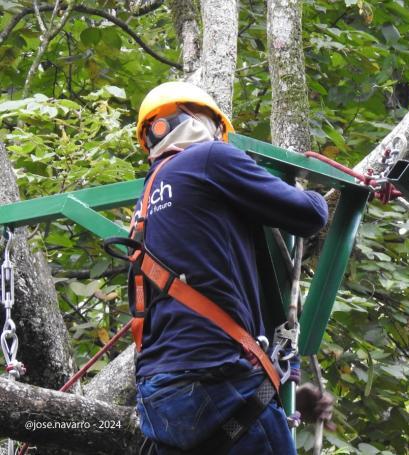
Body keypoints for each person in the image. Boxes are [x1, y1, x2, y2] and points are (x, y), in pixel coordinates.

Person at [128, 81, 333, 454]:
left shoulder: (144, 205)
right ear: (205, 122)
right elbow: (310, 215)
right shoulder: (207, 158)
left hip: (160, 393)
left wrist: (284, 392)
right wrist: (316, 192)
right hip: (217, 379)